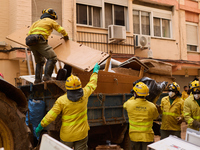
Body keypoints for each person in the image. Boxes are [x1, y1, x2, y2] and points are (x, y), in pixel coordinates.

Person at [35, 63, 100, 150]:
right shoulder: (85, 94)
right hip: (82, 134)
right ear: (80, 86)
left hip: (67, 136)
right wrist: (95, 72)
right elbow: (92, 84)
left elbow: (51, 115)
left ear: (67, 87)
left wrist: (41, 126)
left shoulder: (61, 100)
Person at [27, 8, 69, 84]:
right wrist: (66, 36)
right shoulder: (51, 21)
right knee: (52, 57)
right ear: (52, 16)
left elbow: (29, 33)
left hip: (31, 42)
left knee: (40, 61)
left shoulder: (36, 22)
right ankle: (47, 77)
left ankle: (37, 80)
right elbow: (61, 30)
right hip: (40, 40)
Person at [123, 82, 159, 150]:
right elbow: (156, 117)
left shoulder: (129, 104)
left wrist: (133, 96)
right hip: (147, 137)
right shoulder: (152, 106)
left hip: (134, 136)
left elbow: (124, 105)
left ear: (135, 93)